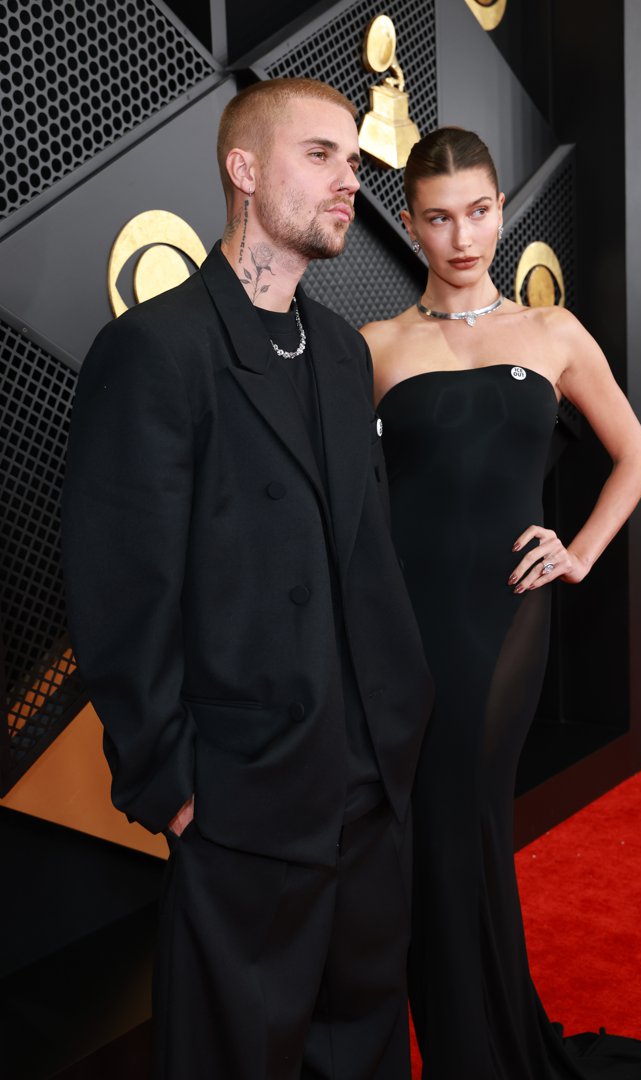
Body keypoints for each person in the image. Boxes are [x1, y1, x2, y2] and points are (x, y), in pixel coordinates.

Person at [62, 78, 433, 1080]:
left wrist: (399, 718)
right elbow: (120, 590)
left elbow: (365, 554)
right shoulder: (155, 350)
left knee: (358, 1046)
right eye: (320, 156)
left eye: (353, 161)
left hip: (368, 784)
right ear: (242, 169)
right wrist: (172, 784)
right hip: (242, 793)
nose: (348, 181)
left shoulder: (346, 355)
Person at [361, 127, 641, 1079]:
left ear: (503, 209)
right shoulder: (373, 346)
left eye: (481, 210)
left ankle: (480, 1053)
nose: (464, 235)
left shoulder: (554, 330)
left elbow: (640, 453)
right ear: (409, 224)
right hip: (406, 622)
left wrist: (576, 550)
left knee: (463, 823)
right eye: (441, 216)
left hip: (504, 617)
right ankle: (487, 1041)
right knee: (435, 839)